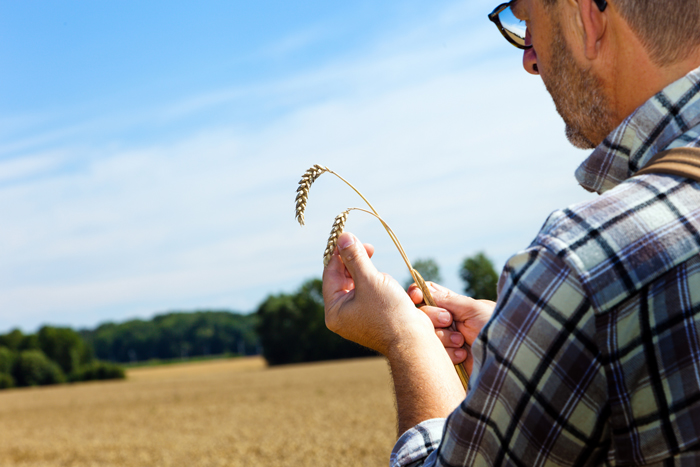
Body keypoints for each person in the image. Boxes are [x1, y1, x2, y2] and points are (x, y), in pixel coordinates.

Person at [322, 0, 700, 464]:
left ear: (588, 17)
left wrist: (407, 340)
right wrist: (535, 338)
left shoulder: (580, 264)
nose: (529, 58)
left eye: (528, 22)